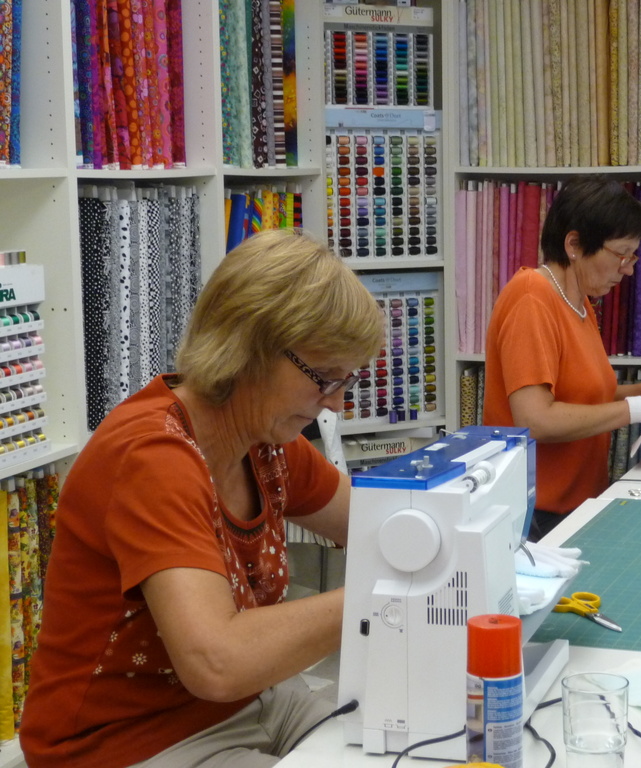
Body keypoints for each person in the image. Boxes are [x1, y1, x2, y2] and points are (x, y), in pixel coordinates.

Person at [20, 229, 384, 768]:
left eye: (345, 381)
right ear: (250, 348)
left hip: (249, 704)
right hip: (125, 741)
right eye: (324, 378)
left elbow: (380, 526)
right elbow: (217, 661)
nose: (335, 404)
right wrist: (377, 600)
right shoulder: (152, 457)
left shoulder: (265, 442)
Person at [483, 176, 641, 541]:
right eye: (622, 255)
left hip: (575, 505)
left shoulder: (578, 303)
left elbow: (584, 396)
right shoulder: (531, 298)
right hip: (536, 516)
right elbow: (536, 420)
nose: (629, 269)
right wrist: (640, 409)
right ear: (574, 244)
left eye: (632, 256)